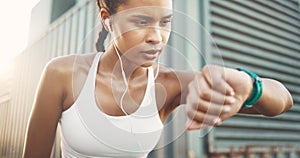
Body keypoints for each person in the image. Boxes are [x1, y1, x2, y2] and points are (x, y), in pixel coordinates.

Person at [23, 0, 293, 158]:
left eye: (165, 22)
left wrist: (249, 86)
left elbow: (283, 100)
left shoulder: (169, 85)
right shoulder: (62, 74)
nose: (156, 37)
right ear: (107, 19)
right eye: (141, 22)